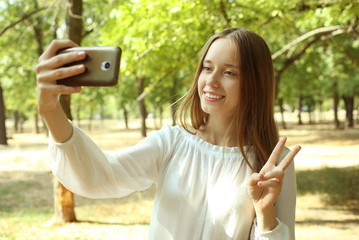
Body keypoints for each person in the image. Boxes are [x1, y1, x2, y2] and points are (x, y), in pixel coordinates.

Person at [36, 27, 301, 240]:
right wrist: (50, 110)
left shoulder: (274, 164)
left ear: (255, 83)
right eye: (207, 68)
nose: (211, 80)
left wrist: (265, 216)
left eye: (229, 72)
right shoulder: (172, 143)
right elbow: (102, 175)